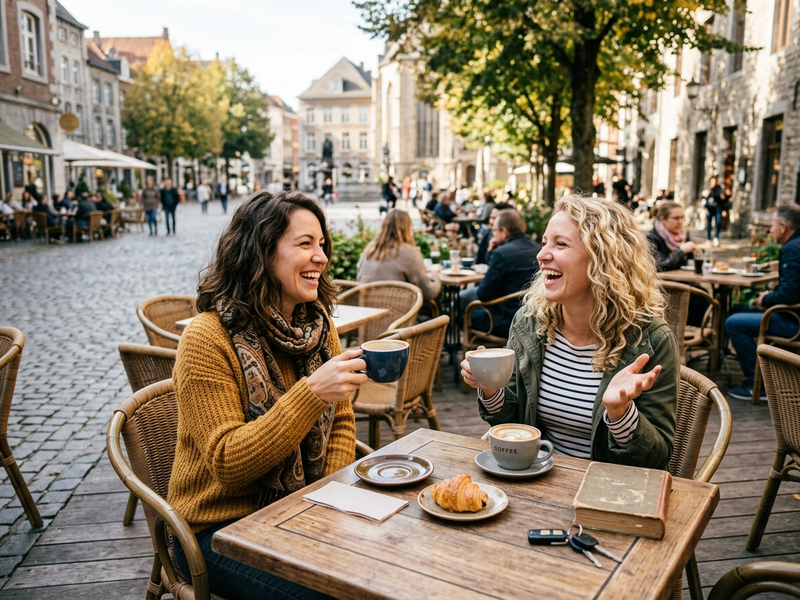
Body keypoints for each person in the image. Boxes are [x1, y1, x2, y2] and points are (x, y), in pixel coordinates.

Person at [168, 190, 365, 600]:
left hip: (302, 512)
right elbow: (228, 462)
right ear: (261, 253)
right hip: (216, 530)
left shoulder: (316, 325)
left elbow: (342, 422)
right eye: (305, 244)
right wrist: (310, 394)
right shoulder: (207, 338)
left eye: (322, 245)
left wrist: (323, 503)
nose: (322, 258)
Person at [461, 195, 678, 469]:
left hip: (603, 495)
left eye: (560, 244)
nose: (541, 255)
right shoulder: (529, 323)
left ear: (603, 258)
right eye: (544, 243)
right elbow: (512, 425)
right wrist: (491, 390)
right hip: (536, 481)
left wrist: (620, 413)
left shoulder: (651, 340)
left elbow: (656, 458)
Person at [726, 204, 800, 401]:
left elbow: (790, 295)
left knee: (733, 323)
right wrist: (770, 295)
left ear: (783, 226)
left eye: (773, 225)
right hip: (789, 313)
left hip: (793, 322)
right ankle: (728, 359)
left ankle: (757, 384)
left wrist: (765, 298)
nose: (770, 230)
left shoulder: (792, 248)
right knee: (736, 309)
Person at [459, 209, 542, 337]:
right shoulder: (538, 250)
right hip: (534, 319)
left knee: (463, 307)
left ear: (504, 232)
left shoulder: (502, 253)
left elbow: (483, 294)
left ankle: (471, 349)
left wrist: (493, 251)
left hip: (505, 321)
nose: (492, 235)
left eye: (494, 231)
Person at [357, 209, 441, 302]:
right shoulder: (409, 252)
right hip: (398, 314)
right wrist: (435, 275)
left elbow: (359, 278)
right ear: (408, 228)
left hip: (367, 312)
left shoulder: (370, 250)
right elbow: (428, 293)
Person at [646, 201, 698, 271]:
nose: (680, 222)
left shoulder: (683, 235)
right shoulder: (652, 238)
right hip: (664, 281)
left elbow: (691, 262)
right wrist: (681, 251)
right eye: (676, 218)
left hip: (684, 278)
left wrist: (696, 252)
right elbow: (658, 266)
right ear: (663, 219)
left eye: (682, 217)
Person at [705, 175, 726, 247]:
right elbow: (704, 199)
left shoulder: (719, 189)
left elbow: (722, 200)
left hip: (717, 209)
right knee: (709, 224)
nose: (714, 182)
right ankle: (708, 239)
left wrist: (723, 210)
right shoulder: (708, 189)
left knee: (718, 222)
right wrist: (705, 208)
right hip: (709, 209)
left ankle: (716, 238)